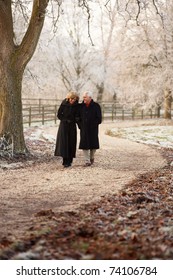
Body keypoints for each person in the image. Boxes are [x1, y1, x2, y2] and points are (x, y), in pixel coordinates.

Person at [54, 92, 79, 168]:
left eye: (74, 99)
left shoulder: (77, 106)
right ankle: (65, 161)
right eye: (71, 99)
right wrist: (64, 120)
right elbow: (59, 114)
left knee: (71, 142)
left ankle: (70, 160)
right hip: (64, 126)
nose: (72, 101)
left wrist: (75, 120)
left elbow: (78, 115)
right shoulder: (64, 104)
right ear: (68, 98)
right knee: (64, 143)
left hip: (72, 125)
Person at [78, 91, 102, 166]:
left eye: (85, 97)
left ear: (90, 97)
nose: (83, 98)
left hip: (93, 128)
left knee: (93, 144)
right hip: (84, 128)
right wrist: (80, 125)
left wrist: (93, 124)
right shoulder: (80, 106)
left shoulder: (96, 106)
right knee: (84, 144)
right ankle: (87, 160)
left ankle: (91, 157)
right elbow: (77, 117)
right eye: (83, 97)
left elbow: (99, 119)